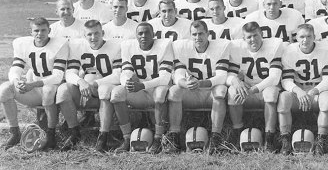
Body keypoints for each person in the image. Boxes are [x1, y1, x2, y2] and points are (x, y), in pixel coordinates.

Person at [0, 17, 69, 150]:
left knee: (48, 90)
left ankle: (51, 134)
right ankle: (14, 132)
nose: (40, 34)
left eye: (43, 30)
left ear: (49, 30)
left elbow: (57, 76)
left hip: (54, 89)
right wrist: (16, 81)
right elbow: (15, 68)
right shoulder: (23, 44)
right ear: (30, 32)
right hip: (36, 89)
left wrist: (33, 84)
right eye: (36, 30)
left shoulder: (59, 44)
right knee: (4, 89)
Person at [166, 20, 231, 153]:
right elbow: (178, 74)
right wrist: (187, 83)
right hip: (192, 91)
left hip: (210, 90)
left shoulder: (221, 46)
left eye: (201, 34)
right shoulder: (181, 47)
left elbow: (221, 77)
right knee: (174, 91)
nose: (197, 37)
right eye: (194, 34)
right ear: (190, 35)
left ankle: (215, 137)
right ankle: (174, 136)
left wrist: (200, 83)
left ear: (208, 34)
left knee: (221, 90)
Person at [110, 22, 173, 153]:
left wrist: (142, 85)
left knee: (161, 92)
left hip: (156, 89)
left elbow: (165, 78)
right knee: (117, 93)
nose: (143, 36)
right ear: (136, 35)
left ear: (154, 34)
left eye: (147, 32)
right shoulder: (128, 45)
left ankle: (158, 138)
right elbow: (126, 71)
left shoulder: (164, 45)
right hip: (140, 91)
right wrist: (126, 82)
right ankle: (126, 138)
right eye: (140, 33)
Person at [60, 20, 122, 152]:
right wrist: (80, 82)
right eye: (89, 34)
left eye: (96, 33)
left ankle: (103, 136)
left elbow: (118, 75)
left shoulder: (115, 46)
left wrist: (94, 83)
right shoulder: (77, 46)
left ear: (103, 33)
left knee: (103, 89)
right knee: (63, 90)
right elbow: (70, 72)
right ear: (84, 35)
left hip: (107, 90)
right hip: (87, 91)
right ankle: (74, 132)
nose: (93, 38)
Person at [226, 22, 286, 152]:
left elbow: (274, 78)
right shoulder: (237, 49)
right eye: (249, 37)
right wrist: (236, 81)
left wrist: (252, 90)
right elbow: (229, 75)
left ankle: (269, 137)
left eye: (255, 35)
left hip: (267, 86)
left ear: (262, 35)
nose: (252, 39)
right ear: (243, 39)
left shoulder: (274, 46)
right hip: (247, 86)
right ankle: (239, 132)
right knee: (232, 92)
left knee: (270, 94)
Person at [277, 24, 328, 155]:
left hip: (317, 90)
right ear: (296, 37)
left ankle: (321, 139)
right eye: (302, 36)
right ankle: (285, 139)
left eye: (309, 36)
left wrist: (313, 91)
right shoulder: (289, 51)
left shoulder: (326, 50)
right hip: (299, 91)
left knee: (326, 101)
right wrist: (299, 91)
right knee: (284, 98)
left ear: (314, 37)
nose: (305, 40)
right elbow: (286, 80)